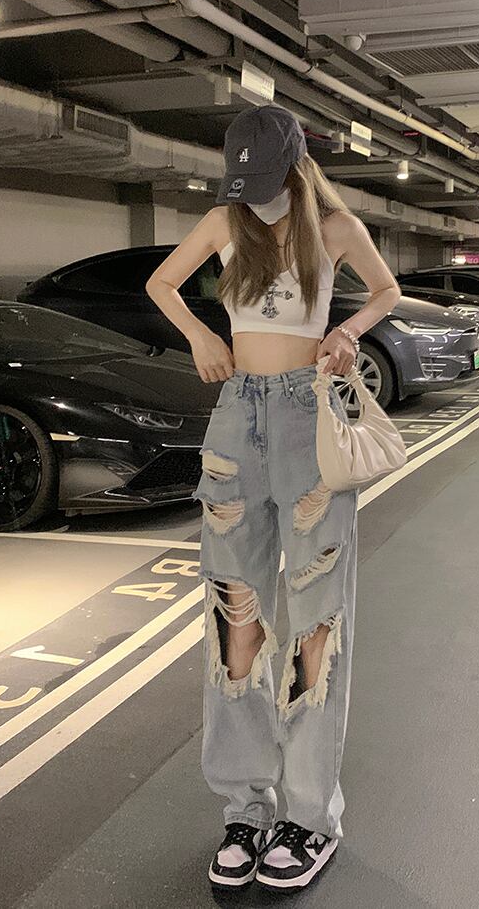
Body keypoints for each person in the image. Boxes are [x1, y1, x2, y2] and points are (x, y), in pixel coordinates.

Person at [145, 104, 401, 891]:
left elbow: (386, 290)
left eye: (264, 182)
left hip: (305, 418)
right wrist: (200, 334)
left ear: (293, 167)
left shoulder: (334, 227)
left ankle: (310, 815)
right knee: (237, 620)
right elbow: (161, 282)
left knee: (317, 622)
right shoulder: (228, 219)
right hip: (235, 419)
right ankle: (245, 808)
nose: (252, 197)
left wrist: (348, 330)